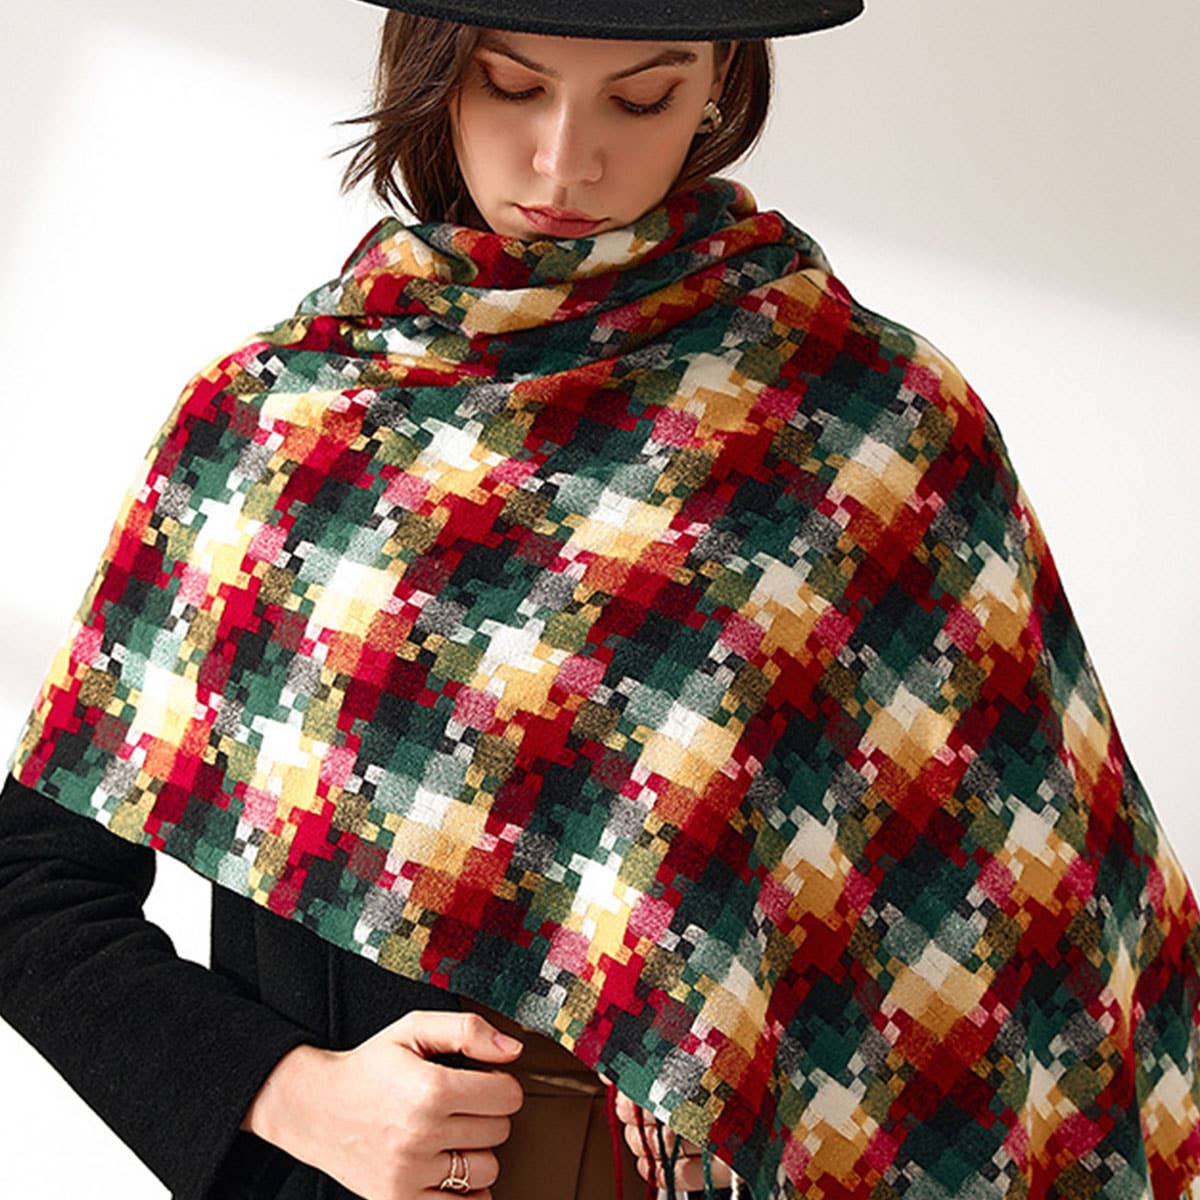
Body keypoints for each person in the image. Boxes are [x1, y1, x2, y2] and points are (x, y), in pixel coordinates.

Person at [2, 3, 1199, 1200]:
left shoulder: (866, 425)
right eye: (511, 86)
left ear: (719, 85)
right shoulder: (278, 425)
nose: (566, 159)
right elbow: (30, 892)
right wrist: (288, 1094)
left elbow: (1034, 935)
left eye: (641, 98)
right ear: (431, 73)